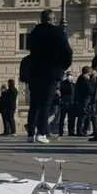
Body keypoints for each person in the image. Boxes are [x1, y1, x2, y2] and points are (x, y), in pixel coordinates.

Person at [26, 9, 73, 144]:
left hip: (35, 71)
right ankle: (41, 133)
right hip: (52, 72)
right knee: (46, 103)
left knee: (34, 103)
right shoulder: (58, 33)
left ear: (41, 19)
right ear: (53, 19)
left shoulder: (34, 33)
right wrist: (63, 66)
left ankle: (30, 133)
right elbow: (67, 52)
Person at [74, 66, 93, 136]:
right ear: (88, 71)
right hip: (84, 99)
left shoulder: (83, 78)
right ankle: (80, 131)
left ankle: (84, 130)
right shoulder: (83, 78)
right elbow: (89, 89)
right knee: (83, 114)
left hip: (85, 98)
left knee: (86, 114)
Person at [58, 72, 74, 137]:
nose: (69, 76)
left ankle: (71, 132)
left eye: (71, 75)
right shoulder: (62, 84)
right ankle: (60, 132)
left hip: (72, 103)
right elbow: (60, 93)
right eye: (68, 75)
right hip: (64, 103)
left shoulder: (73, 84)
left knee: (71, 118)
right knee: (62, 118)